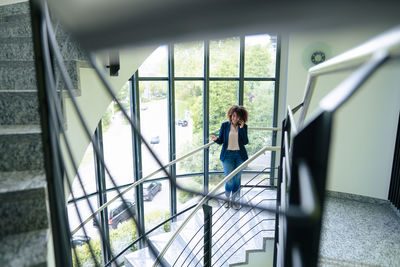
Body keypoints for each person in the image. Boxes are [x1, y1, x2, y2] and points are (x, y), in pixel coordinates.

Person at [210, 105, 249, 210]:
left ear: (241, 118)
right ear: (230, 115)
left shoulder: (244, 127)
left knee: (237, 180)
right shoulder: (224, 125)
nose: (234, 118)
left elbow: (245, 142)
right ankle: (227, 199)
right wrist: (215, 139)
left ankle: (235, 201)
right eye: (233, 116)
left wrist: (241, 129)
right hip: (227, 156)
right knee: (230, 180)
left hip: (240, 156)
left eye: (237, 117)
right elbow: (221, 140)